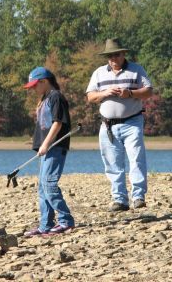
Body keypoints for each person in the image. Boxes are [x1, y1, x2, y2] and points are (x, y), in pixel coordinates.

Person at [86, 38, 153, 212]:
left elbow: (149, 91)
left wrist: (129, 93)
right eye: (109, 56)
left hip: (132, 122)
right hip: (108, 125)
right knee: (112, 162)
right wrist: (105, 93)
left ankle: (138, 197)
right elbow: (90, 97)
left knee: (136, 158)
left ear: (123, 54)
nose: (113, 59)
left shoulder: (136, 70)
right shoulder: (99, 73)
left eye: (116, 55)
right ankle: (120, 199)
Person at [22, 67, 75, 236]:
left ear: (44, 82)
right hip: (46, 149)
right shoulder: (45, 98)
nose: (33, 90)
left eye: (35, 86)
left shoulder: (56, 97)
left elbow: (57, 123)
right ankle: (45, 224)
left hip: (55, 147)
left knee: (49, 184)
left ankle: (66, 221)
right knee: (42, 187)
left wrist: (45, 143)